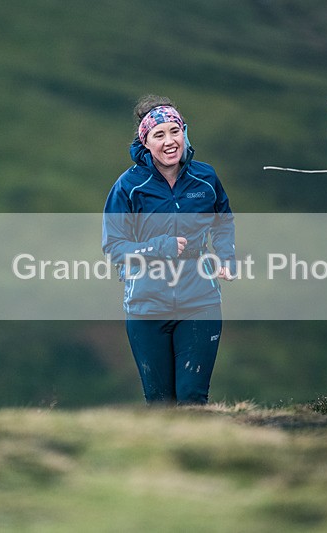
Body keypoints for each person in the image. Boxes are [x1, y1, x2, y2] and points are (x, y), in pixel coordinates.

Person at [102, 95, 235, 405]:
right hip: (146, 306)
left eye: (174, 131)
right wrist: (160, 247)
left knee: (192, 399)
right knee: (161, 404)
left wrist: (226, 255)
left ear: (184, 132)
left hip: (200, 299)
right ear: (145, 142)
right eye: (158, 135)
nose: (169, 141)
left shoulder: (205, 177)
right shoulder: (128, 187)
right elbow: (114, 247)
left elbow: (223, 220)